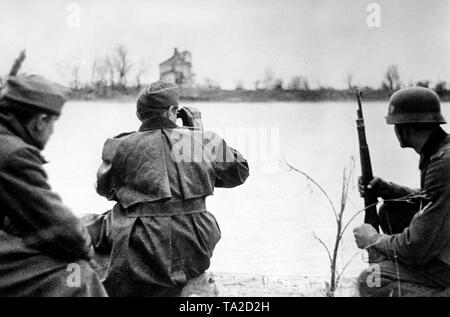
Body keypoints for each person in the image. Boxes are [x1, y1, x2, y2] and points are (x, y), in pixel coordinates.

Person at [89, 81, 249, 297]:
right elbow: (238, 173)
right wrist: (196, 132)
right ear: (174, 111)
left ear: (139, 114)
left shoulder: (119, 144)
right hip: (195, 243)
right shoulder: (201, 141)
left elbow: (104, 189)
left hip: (138, 242)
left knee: (84, 227)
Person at [0, 75, 107, 297]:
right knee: (79, 274)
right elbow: (65, 230)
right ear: (40, 121)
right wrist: (86, 251)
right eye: (52, 123)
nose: (53, 131)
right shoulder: (14, 153)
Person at [354, 87, 450, 297]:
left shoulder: (442, 165)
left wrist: (374, 239)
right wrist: (390, 190)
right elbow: (435, 200)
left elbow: (416, 246)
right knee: (391, 211)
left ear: (404, 129)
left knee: (370, 280)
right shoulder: (442, 152)